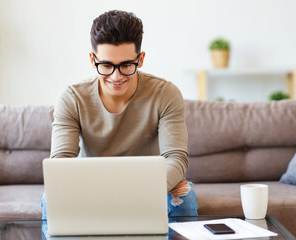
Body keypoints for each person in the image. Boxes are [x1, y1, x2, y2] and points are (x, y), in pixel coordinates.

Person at [41, 9, 198, 237]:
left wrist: (141, 191)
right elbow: (61, 162)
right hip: (89, 186)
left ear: (140, 59)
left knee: (185, 197)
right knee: (50, 200)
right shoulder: (72, 98)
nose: (116, 77)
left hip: (152, 186)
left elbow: (176, 157)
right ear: (92, 60)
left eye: (126, 65)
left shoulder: (166, 94)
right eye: (106, 65)